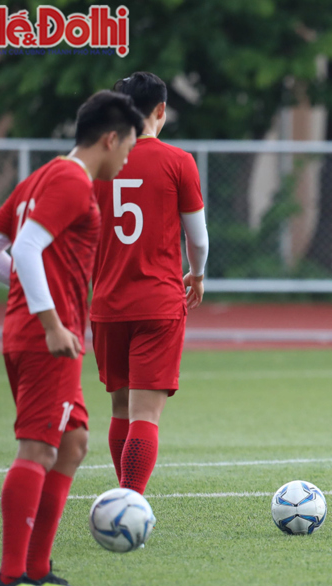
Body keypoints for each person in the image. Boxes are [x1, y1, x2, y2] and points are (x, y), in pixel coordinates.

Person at [0, 91, 142, 586]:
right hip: (48, 337)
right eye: (128, 147)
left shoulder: (40, 177)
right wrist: (48, 319)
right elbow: (22, 249)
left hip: (42, 331)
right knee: (39, 448)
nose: (129, 157)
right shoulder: (71, 181)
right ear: (110, 138)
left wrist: (33, 299)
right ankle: (11, 579)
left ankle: (38, 571)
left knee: (71, 443)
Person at [90, 72, 208, 494]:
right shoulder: (178, 161)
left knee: (120, 408)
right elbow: (198, 238)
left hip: (106, 302)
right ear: (161, 110)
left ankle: (122, 499)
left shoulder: (98, 161)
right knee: (145, 415)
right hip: (158, 302)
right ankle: (130, 503)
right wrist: (197, 273)